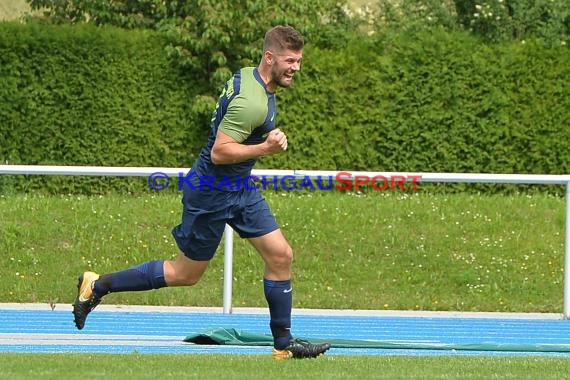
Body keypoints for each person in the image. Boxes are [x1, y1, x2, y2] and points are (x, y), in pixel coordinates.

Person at [72, 25, 331, 360]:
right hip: (210, 192)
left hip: (239, 188)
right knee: (185, 274)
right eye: (290, 60)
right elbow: (219, 152)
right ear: (270, 57)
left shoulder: (250, 77)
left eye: (298, 60)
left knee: (281, 255)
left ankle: (283, 346)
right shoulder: (251, 103)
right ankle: (98, 285)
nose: (296, 67)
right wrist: (266, 148)